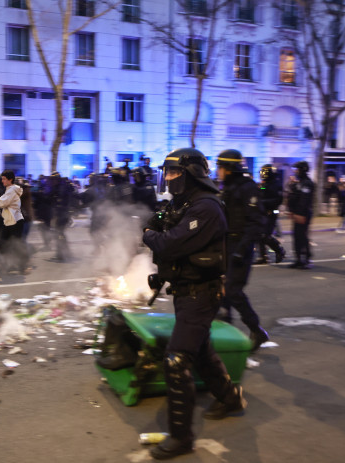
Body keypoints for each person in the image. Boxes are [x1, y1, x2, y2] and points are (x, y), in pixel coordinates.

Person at [142, 148, 246, 460]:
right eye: (168, 173)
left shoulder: (206, 208)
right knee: (200, 349)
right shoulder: (183, 202)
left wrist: (149, 235)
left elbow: (170, 242)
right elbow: (158, 219)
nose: (170, 178)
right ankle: (229, 398)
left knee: (176, 361)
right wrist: (153, 224)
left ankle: (182, 437)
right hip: (188, 290)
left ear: (191, 174)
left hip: (202, 293)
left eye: (175, 173)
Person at [216, 150, 270, 351]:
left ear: (229, 169)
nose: (218, 171)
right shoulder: (228, 188)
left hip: (240, 248)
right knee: (220, 291)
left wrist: (241, 249)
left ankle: (256, 330)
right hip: (227, 246)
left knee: (232, 290)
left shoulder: (248, 189)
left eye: (220, 167)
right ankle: (224, 332)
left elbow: (256, 222)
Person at [0, 170, 28, 273]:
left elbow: (1, 203)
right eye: (2, 178)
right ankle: (10, 264)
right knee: (2, 242)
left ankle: (22, 266)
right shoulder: (10, 189)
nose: (2, 180)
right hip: (9, 221)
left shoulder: (12, 190)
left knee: (15, 244)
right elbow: (2, 200)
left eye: (4, 179)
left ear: (10, 179)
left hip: (15, 221)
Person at [255, 164, 286, 264]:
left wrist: (263, 202)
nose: (262, 174)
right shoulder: (264, 184)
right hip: (262, 212)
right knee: (259, 234)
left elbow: (278, 200)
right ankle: (263, 256)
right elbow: (261, 193)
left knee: (266, 235)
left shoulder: (276, 184)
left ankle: (279, 250)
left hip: (271, 212)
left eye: (264, 172)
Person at [286, 161, 315, 269]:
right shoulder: (299, 182)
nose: (296, 171)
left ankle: (306, 259)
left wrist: (300, 214)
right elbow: (293, 197)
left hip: (303, 214)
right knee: (296, 237)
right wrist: (292, 211)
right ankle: (298, 259)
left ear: (303, 169)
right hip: (297, 213)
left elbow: (304, 200)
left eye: (297, 169)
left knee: (302, 236)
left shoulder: (307, 183)